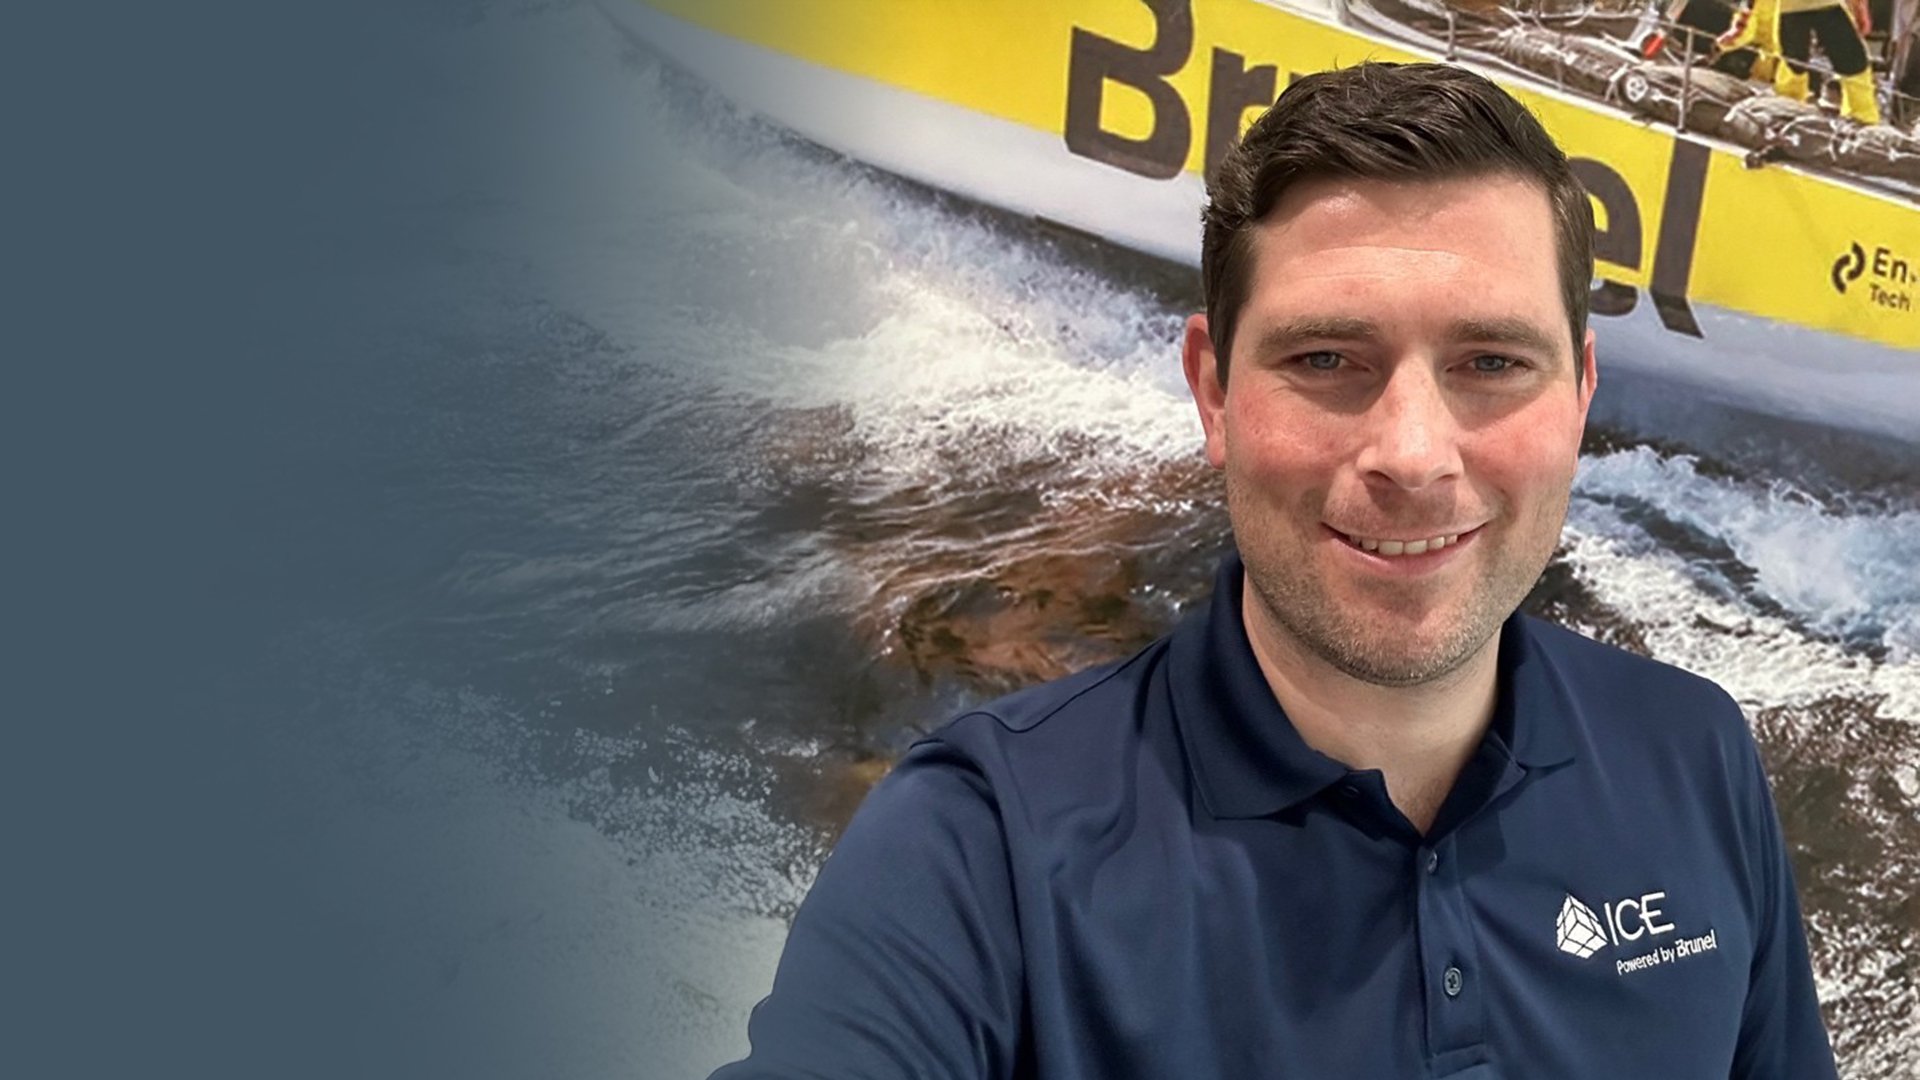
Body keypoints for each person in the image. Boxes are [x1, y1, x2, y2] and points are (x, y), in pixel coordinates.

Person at [711, 62, 1837, 1079]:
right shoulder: (977, 847)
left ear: (1581, 394)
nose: (1413, 455)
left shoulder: (1696, 753)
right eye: (1327, 358)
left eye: (1492, 362)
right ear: (1213, 391)